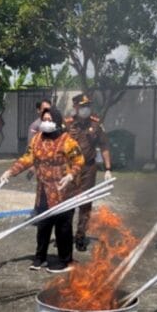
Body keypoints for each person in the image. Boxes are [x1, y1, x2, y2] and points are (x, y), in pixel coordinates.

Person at [0, 109, 85, 273]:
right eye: (43, 119)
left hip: (63, 191)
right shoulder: (37, 139)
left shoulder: (67, 140)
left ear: (57, 121)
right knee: (43, 226)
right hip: (44, 190)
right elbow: (27, 158)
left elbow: (79, 160)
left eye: (49, 119)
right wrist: (10, 171)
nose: (46, 122)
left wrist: (70, 175)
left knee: (63, 227)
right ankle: (40, 258)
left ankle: (65, 261)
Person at [65, 93, 112, 251]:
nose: (86, 109)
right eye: (83, 106)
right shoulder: (67, 124)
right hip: (70, 169)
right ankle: (65, 235)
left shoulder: (96, 125)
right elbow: (58, 146)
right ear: (76, 107)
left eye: (88, 106)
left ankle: (80, 236)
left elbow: (104, 146)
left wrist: (107, 169)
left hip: (89, 169)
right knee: (67, 202)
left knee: (85, 203)